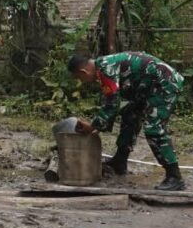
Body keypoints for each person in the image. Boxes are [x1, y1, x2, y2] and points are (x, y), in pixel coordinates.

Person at [68, 51, 186, 191]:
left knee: (154, 128)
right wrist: (98, 124)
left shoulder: (106, 69)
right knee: (130, 114)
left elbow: (112, 104)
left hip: (164, 84)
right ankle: (120, 160)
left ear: (83, 72)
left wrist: (93, 126)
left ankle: (174, 177)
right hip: (147, 87)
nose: (81, 81)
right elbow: (111, 101)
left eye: (79, 78)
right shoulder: (103, 66)